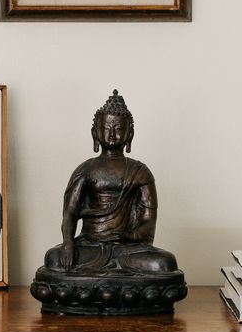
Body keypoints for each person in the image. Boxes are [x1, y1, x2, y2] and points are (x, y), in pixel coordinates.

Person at [42, 90, 179, 276]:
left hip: (127, 249)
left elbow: (148, 223)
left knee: (164, 263)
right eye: (107, 128)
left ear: (129, 134)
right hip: (90, 245)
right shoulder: (86, 169)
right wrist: (67, 243)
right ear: (95, 132)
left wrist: (128, 236)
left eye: (119, 129)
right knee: (54, 258)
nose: (112, 134)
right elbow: (70, 213)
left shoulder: (141, 172)